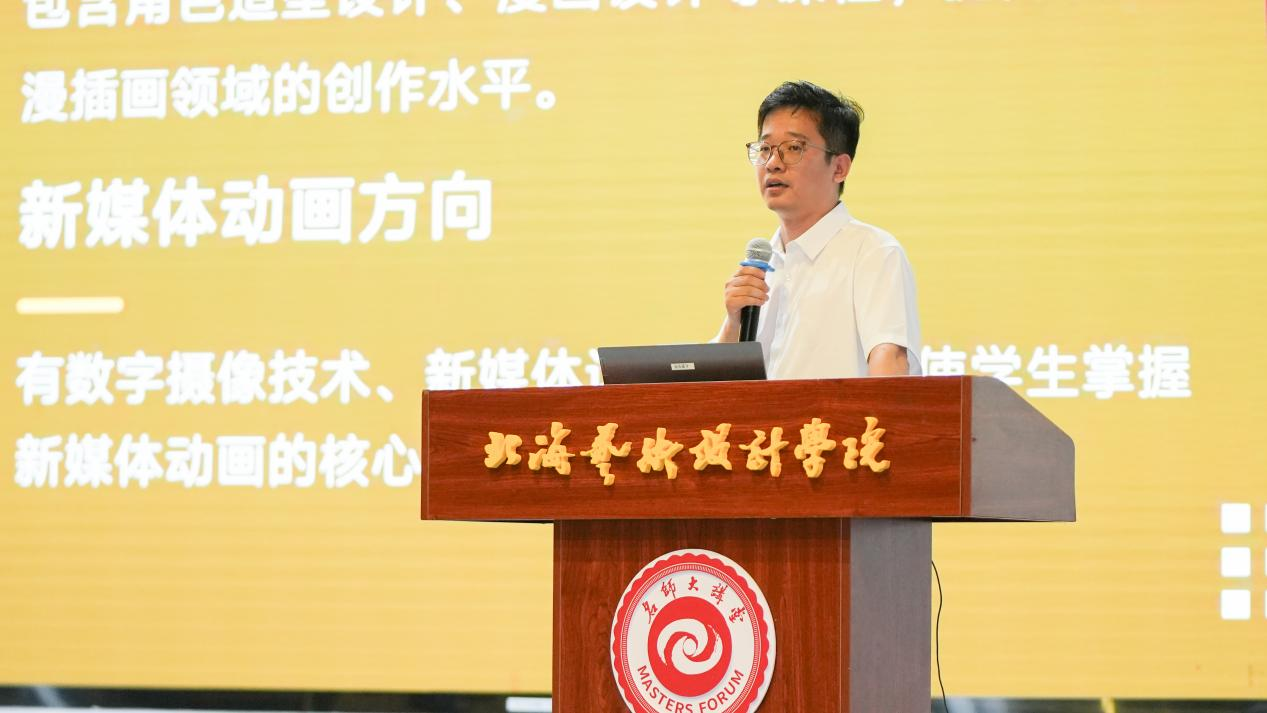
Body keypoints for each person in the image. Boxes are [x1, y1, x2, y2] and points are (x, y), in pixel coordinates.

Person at [714, 80, 922, 379]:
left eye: (793, 148)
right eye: (765, 148)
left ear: (839, 168)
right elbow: (711, 392)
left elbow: (890, 366)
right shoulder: (761, 267)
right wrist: (734, 324)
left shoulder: (872, 252)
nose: (772, 163)